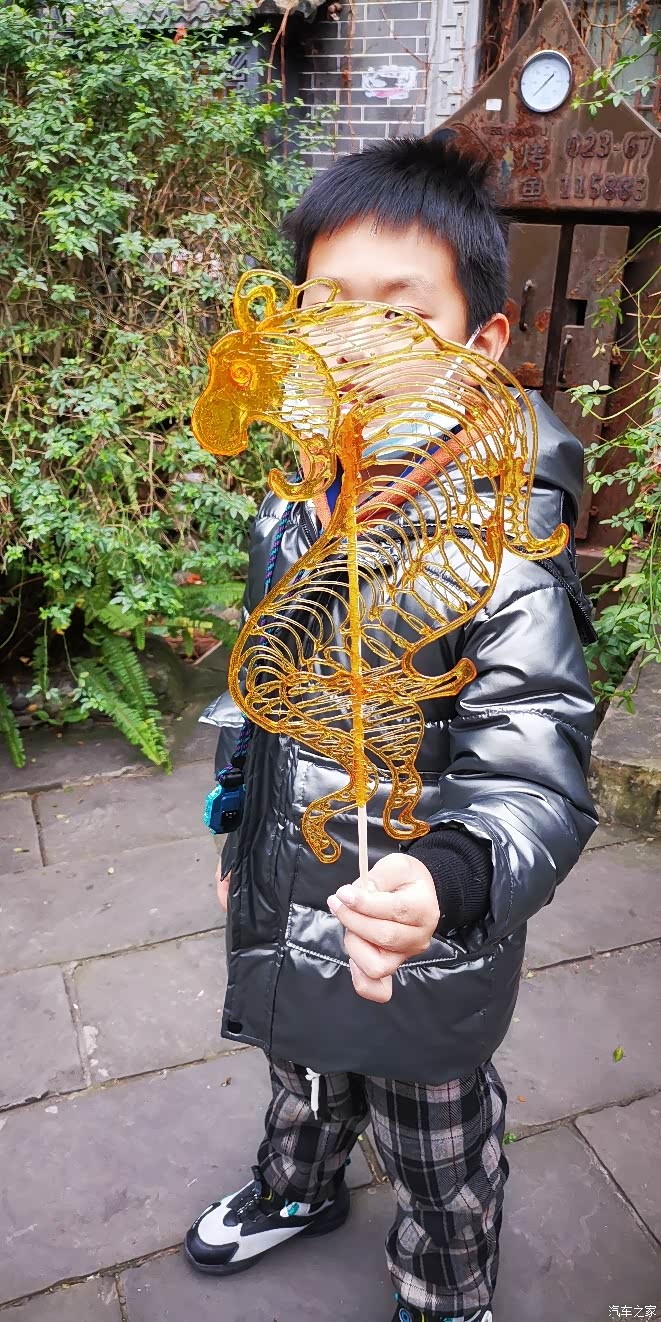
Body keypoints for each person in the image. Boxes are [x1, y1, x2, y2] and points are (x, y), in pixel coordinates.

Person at [185, 137, 598, 1322]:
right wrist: (235, 824)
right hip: (288, 898)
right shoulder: (291, 511)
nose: (356, 354)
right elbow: (260, 698)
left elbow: (535, 776)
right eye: (327, 315)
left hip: (421, 942)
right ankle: (298, 1184)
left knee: (435, 1141)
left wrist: (447, 880)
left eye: (401, 317)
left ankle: (445, 1280)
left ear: (482, 344)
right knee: (303, 1080)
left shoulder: (508, 553)